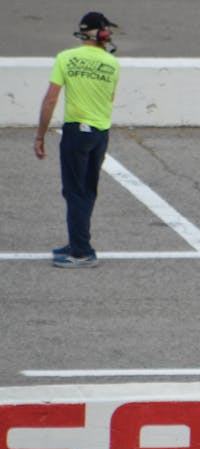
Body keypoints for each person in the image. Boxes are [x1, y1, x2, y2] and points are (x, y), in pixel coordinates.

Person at [35, 11, 121, 268]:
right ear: (103, 34)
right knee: (86, 191)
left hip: (76, 132)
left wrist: (40, 135)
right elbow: (110, 99)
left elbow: (51, 99)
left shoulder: (66, 58)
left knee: (74, 191)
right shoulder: (112, 64)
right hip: (100, 133)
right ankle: (78, 241)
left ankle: (82, 251)